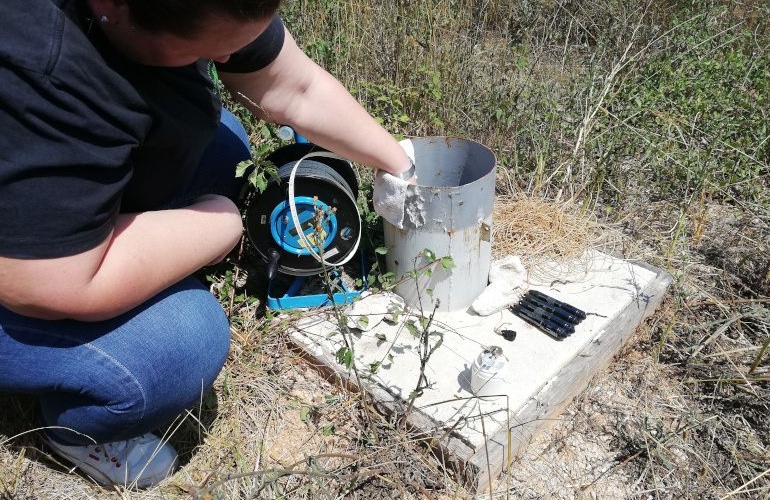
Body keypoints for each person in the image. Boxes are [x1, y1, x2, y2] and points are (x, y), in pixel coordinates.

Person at [0, 0, 415, 488]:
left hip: (43, 193)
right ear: (112, 7)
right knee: (181, 345)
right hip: (29, 273)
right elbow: (49, 283)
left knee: (223, 145)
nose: (231, 58)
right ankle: (78, 430)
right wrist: (222, 223)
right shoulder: (41, 68)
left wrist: (399, 165)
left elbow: (294, 85)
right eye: (215, 51)